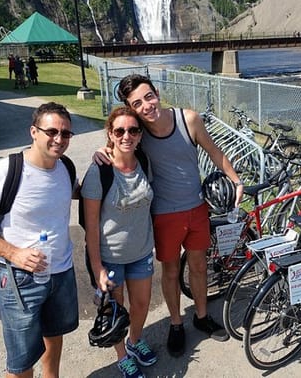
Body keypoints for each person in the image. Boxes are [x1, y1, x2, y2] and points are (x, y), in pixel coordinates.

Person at [103, 74, 244, 357]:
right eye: (137, 103)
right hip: (164, 214)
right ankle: (176, 323)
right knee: (170, 271)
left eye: (149, 97)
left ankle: (201, 316)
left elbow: (214, 152)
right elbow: (117, 143)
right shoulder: (139, 132)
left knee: (199, 265)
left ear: (157, 92)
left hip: (196, 207)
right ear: (132, 108)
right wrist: (102, 151)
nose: (146, 106)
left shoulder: (188, 119)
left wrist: (236, 180)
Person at [0, 102, 79, 378]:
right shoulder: (6, 171)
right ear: (33, 132)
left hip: (60, 272)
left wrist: (107, 161)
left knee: (54, 337)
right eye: (51, 132)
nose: (59, 139)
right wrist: (14, 254)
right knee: (21, 362)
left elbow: (81, 194)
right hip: (19, 278)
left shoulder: (65, 168)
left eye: (66, 134)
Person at [82, 107, 157, 378]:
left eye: (133, 130)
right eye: (120, 131)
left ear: (139, 135)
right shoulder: (99, 171)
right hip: (110, 255)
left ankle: (134, 342)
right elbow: (91, 226)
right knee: (116, 311)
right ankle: (122, 356)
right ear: (110, 134)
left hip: (141, 251)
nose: (127, 135)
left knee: (142, 303)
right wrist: (97, 267)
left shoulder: (144, 162)